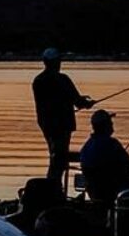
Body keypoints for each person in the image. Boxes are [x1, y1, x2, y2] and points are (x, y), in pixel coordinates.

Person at [32, 48, 94, 183]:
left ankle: (54, 188)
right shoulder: (62, 79)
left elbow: (59, 99)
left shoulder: (38, 81)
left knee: (56, 157)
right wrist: (86, 103)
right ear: (56, 62)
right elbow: (76, 101)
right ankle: (54, 187)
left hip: (47, 125)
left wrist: (78, 101)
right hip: (61, 126)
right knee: (59, 158)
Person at [79, 109, 129, 202]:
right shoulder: (112, 144)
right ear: (105, 126)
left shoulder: (87, 146)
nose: (112, 125)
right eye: (110, 122)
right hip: (114, 190)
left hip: (94, 192)